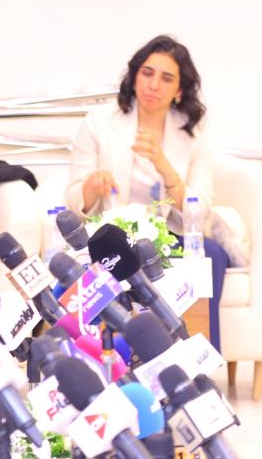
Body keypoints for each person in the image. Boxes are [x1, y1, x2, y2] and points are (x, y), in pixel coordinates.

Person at [65, 34, 225, 350]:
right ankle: (105, 360)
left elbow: (200, 209)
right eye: (147, 73)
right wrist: (91, 187)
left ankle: (201, 358)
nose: (153, 85)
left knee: (213, 254)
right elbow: (71, 199)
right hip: (111, 235)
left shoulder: (194, 131)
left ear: (179, 90)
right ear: (135, 76)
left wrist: (164, 166)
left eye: (166, 78)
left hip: (168, 235)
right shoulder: (99, 122)